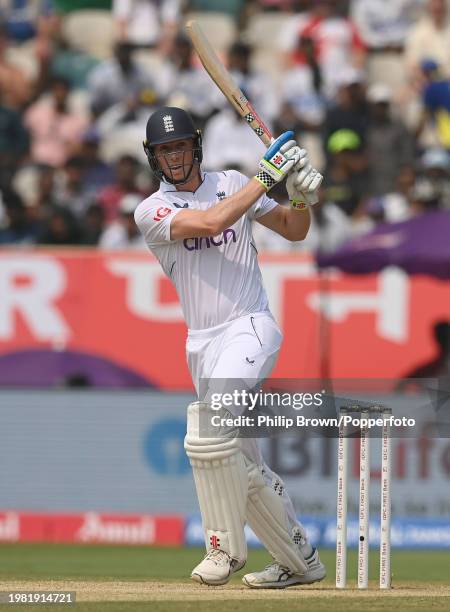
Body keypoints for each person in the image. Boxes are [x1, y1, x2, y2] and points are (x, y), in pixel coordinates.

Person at [134, 106, 325, 588]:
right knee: (244, 466)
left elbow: (294, 229)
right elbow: (213, 222)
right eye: (163, 150)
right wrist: (267, 177)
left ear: (194, 146)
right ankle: (300, 562)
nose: (172, 157)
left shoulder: (232, 180)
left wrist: (299, 197)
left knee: (210, 428)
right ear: (152, 158)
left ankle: (224, 548)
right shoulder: (151, 210)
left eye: (178, 146)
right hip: (201, 342)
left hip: (250, 325)